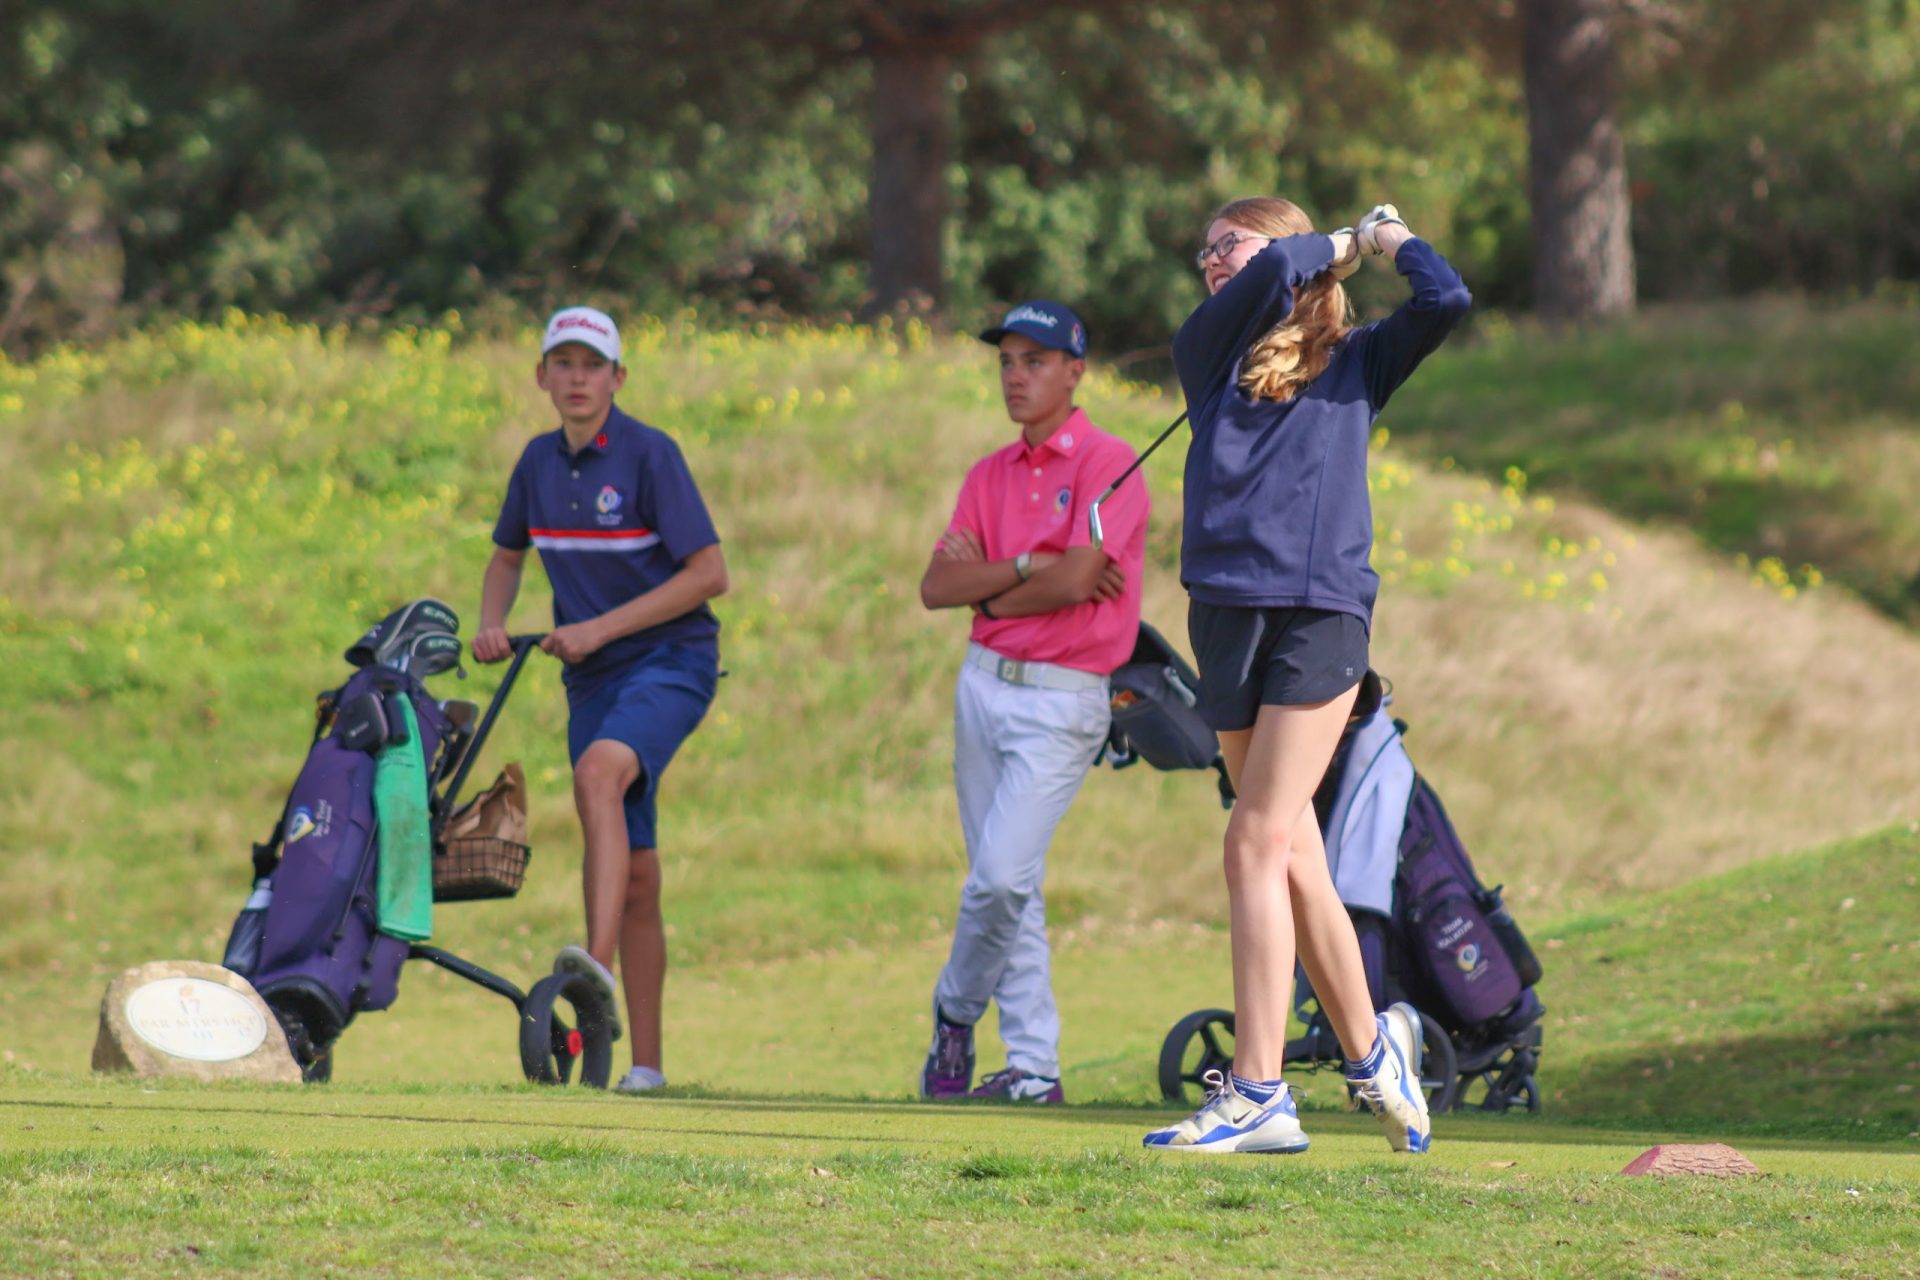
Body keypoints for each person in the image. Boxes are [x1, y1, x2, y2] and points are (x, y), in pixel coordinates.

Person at [1141, 201, 1471, 1154]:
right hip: (1226, 613)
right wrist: (1315, 248)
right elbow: (1271, 269)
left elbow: (1445, 295)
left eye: (1225, 243)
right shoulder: (1207, 353)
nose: (1209, 261)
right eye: (1200, 249)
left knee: (1254, 836)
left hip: (1322, 615)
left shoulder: (1361, 360)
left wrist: (1384, 239)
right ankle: (1373, 1057)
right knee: (1290, 851)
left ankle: (1258, 1092)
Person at [473, 305, 729, 1096]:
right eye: (563, 364)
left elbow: (708, 574)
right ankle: (645, 1066)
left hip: (669, 659)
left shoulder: (652, 456)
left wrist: (597, 628)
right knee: (640, 874)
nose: (577, 378)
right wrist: (491, 622)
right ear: (542, 377)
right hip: (591, 676)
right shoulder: (536, 464)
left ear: (618, 379)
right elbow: (507, 556)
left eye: (593, 365)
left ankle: (594, 970)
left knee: (595, 776)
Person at [917, 301, 1149, 1104]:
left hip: (1064, 699)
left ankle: (954, 1012)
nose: (1017, 377)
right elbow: (936, 587)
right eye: (1007, 362)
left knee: (1002, 880)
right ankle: (1035, 1069)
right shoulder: (989, 474)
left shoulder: (1109, 462)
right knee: (1006, 880)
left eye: (1036, 362)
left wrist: (994, 591)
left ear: (1075, 371)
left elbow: (1081, 578)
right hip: (982, 688)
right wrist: (1026, 566)